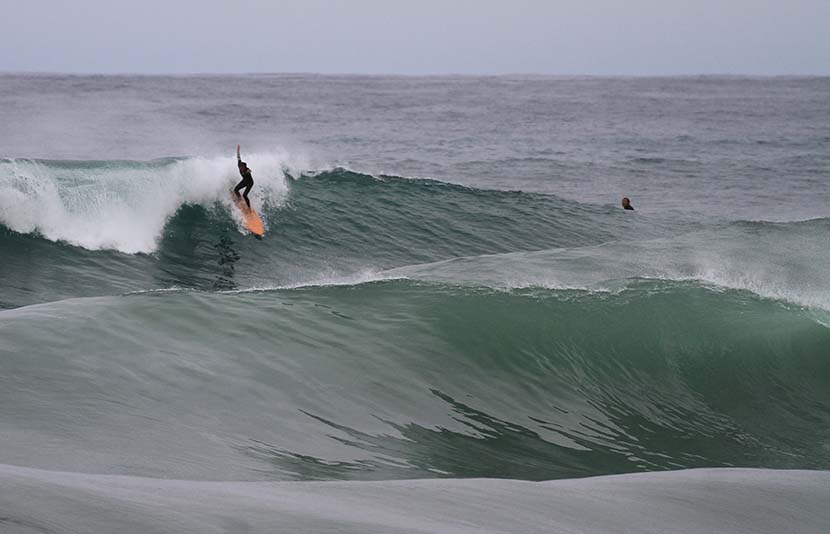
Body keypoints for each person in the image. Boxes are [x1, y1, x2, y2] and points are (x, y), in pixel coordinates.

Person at [234, 144, 254, 209]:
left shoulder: (247, 170)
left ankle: (249, 208)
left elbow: (249, 171)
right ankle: (240, 200)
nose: (241, 168)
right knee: (236, 190)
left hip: (250, 183)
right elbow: (238, 157)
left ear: (245, 167)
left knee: (245, 195)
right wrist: (238, 150)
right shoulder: (239, 164)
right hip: (244, 181)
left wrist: (248, 171)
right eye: (241, 167)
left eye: (243, 167)